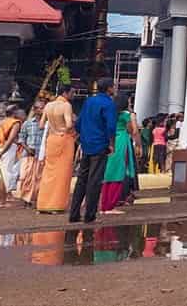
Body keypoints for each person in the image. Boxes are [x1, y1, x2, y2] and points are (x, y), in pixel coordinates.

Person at [69, 78, 118, 224]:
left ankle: (74, 213)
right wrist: (111, 144)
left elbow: (79, 123)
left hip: (87, 143)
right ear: (109, 88)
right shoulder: (109, 103)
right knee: (95, 180)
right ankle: (90, 215)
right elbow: (110, 126)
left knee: (82, 179)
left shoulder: (89, 101)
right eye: (113, 87)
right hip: (100, 144)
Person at [37, 84, 75, 214]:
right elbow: (69, 124)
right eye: (72, 92)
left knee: (49, 172)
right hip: (63, 139)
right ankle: (56, 205)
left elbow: (41, 125)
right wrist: (63, 129)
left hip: (51, 139)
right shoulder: (66, 106)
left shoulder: (48, 106)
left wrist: (54, 129)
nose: (73, 95)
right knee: (62, 173)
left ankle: (43, 204)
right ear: (66, 93)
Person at [100, 93, 141, 214]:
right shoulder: (126, 115)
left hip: (109, 141)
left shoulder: (108, 114)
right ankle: (110, 206)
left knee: (108, 173)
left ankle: (104, 205)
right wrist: (138, 144)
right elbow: (132, 130)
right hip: (122, 141)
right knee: (118, 173)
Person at [0, 106, 23, 208]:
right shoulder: (15, 123)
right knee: (4, 175)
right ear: (14, 113)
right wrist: (2, 153)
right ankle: (2, 201)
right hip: (7, 149)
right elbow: (11, 139)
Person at [17, 100, 45, 207]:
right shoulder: (27, 123)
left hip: (41, 155)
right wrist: (27, 148)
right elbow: (21, 138)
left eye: (43, 108)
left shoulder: (47, 124)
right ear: (35, 109)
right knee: (25, 178)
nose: (41, 110)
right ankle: (26, 199)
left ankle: (37, 199)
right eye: (39, 108)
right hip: (28, 154)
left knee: (39, 178)